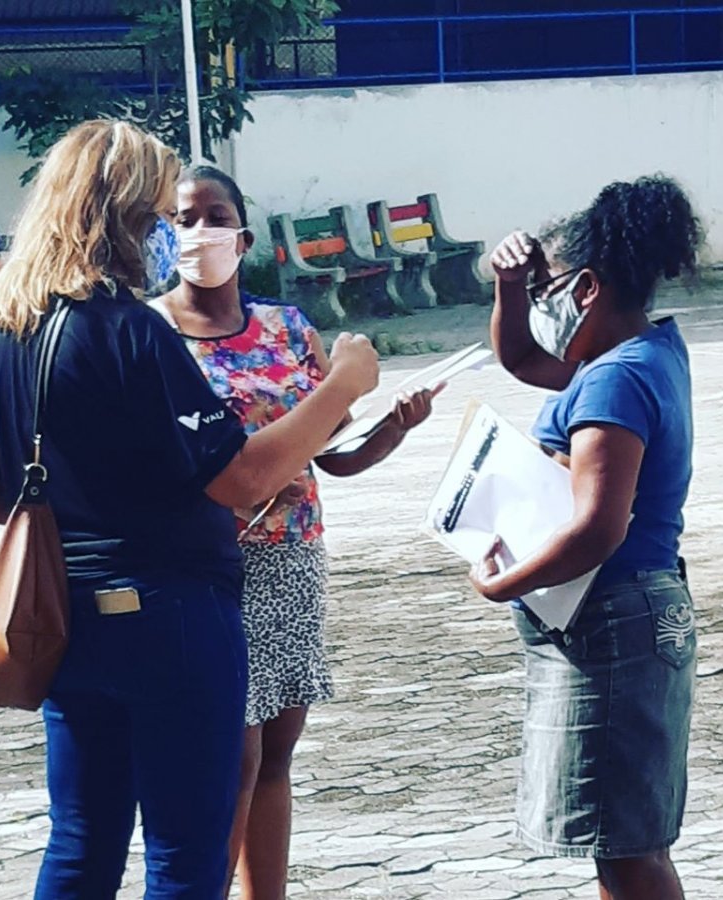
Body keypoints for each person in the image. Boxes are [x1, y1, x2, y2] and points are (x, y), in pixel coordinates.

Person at [0, 120, 379, 900]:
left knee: (81, 841)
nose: (167, 235)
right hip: (171, 618)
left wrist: (82, 499)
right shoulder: (130, 330)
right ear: (123, 219)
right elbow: (241, 478)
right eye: (158, 216)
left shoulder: (6, 331)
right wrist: (343, 384)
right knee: (186, 854)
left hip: (65, 616)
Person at [149, 165, 437, 900]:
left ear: (244, 238)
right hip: (206, 569)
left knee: (275, 752)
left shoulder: (288, 330)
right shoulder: (150, 334)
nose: (200, 232)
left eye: (216, 217)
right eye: (183, 218)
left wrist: (393, 430)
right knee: (231, 757)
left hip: (291, 561)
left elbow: (332, 452)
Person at [469, 174, 702, 900]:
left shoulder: (611, 381)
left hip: (612, 619)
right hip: (634, 612)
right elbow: (520, 358)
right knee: (625, 842)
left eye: (550, 288)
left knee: (627, 851)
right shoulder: (645, 353)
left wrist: (501, 584)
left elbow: (600, 525)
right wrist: (512, 285)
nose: (543, 302)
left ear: (589, 289)